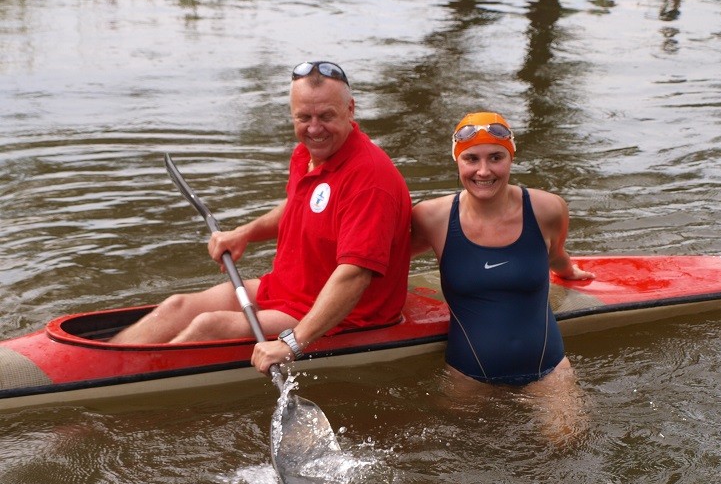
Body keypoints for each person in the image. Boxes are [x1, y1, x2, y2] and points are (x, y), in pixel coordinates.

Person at [109, 61, 412, 377]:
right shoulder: (309, 154)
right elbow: (300, 205)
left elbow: (355, 275)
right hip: (285, 290)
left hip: (346, 316)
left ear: (350, 110)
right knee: (177, 307)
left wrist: (293, 343)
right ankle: (105, 367)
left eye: (326, 116)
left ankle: (121, 389)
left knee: (209, 326)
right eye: (304, 117)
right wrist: (244, 233)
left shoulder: (369, 181)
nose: (314, 129)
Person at [410, 111, 593, 390]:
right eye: (471, 158)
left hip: (550, 374)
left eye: (496, 157)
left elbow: (556, 254)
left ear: (511, 158)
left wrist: (568, 272)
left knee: (575, 423)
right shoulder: (431, 217)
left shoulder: (548, 209)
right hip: (466, 378)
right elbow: (389, 263)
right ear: (457, 160)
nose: (484, 171)